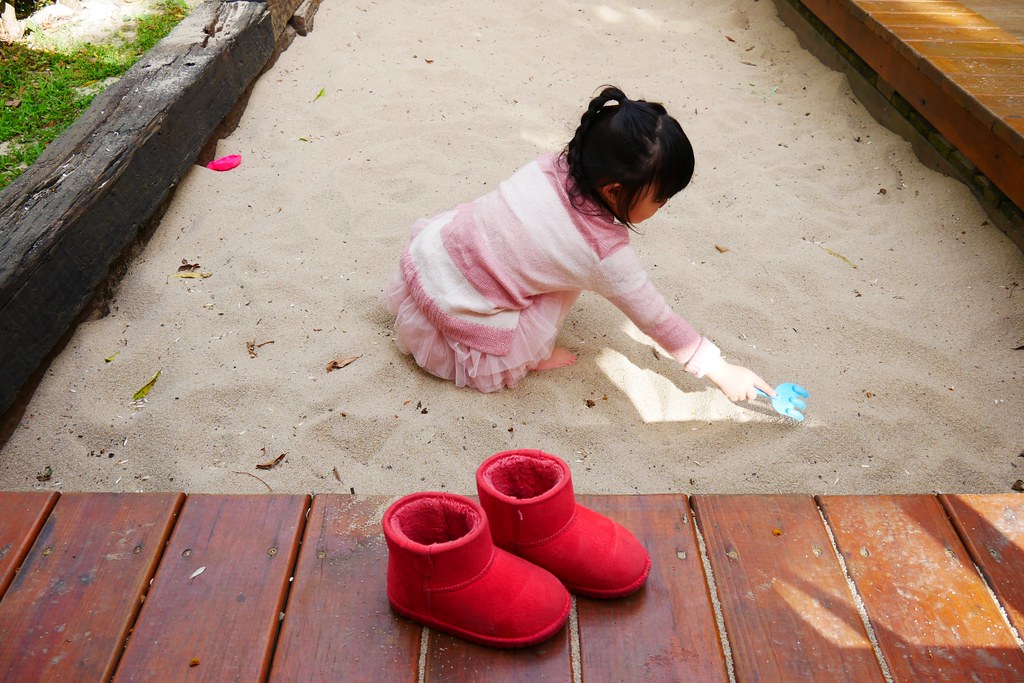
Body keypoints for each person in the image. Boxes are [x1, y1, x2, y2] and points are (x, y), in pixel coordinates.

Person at [385, 85, 773, 401]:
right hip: (465, 312)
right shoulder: (604, 255)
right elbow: (657, 318)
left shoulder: (551, 164)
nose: (664, 205)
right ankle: (527, 356)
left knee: (531, 246)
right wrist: (721, 371)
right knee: (570, 278)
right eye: (660, 197)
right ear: (616, 190)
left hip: (432, 260)